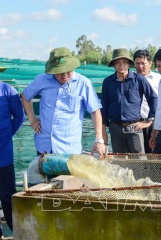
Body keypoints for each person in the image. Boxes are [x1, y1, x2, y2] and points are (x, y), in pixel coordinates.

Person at [22, 47, 105, 157]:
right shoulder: (42, 80)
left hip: (69, 149)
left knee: (68, 175)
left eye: (68, 71)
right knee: (43, 173)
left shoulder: (83, 83)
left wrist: (99, 139)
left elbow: (95, 111)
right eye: (59, 72)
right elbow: (25, 96)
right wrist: (32, 120)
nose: (64, 75)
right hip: (44, 146)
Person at [101, 48, 157, 153]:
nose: (121, 65)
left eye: (124, 62)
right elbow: (104, 105)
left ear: (129, 64)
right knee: (119, 161)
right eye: (118, 62)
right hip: (115, 128)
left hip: (134, 127)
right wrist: (103, 130)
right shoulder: (108, 82)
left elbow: (153, 98)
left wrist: (149, 121)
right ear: (114, 64)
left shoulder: (139, 79)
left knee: (139, 160)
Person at [0, 80, 25, 237]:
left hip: (4, 155)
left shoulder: (8, 91)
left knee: (8, 195)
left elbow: (19, 116)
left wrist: (6, 135)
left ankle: (17, 232)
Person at [133, 49, 161, 153]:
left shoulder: (159, 79)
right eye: (137, 63)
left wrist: (151, 121)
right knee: (136, 153)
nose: (140, 66)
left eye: (143, 63)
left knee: (152, 151)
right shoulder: (130, 79)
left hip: (153, 122)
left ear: (150, 63)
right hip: (135, 122)